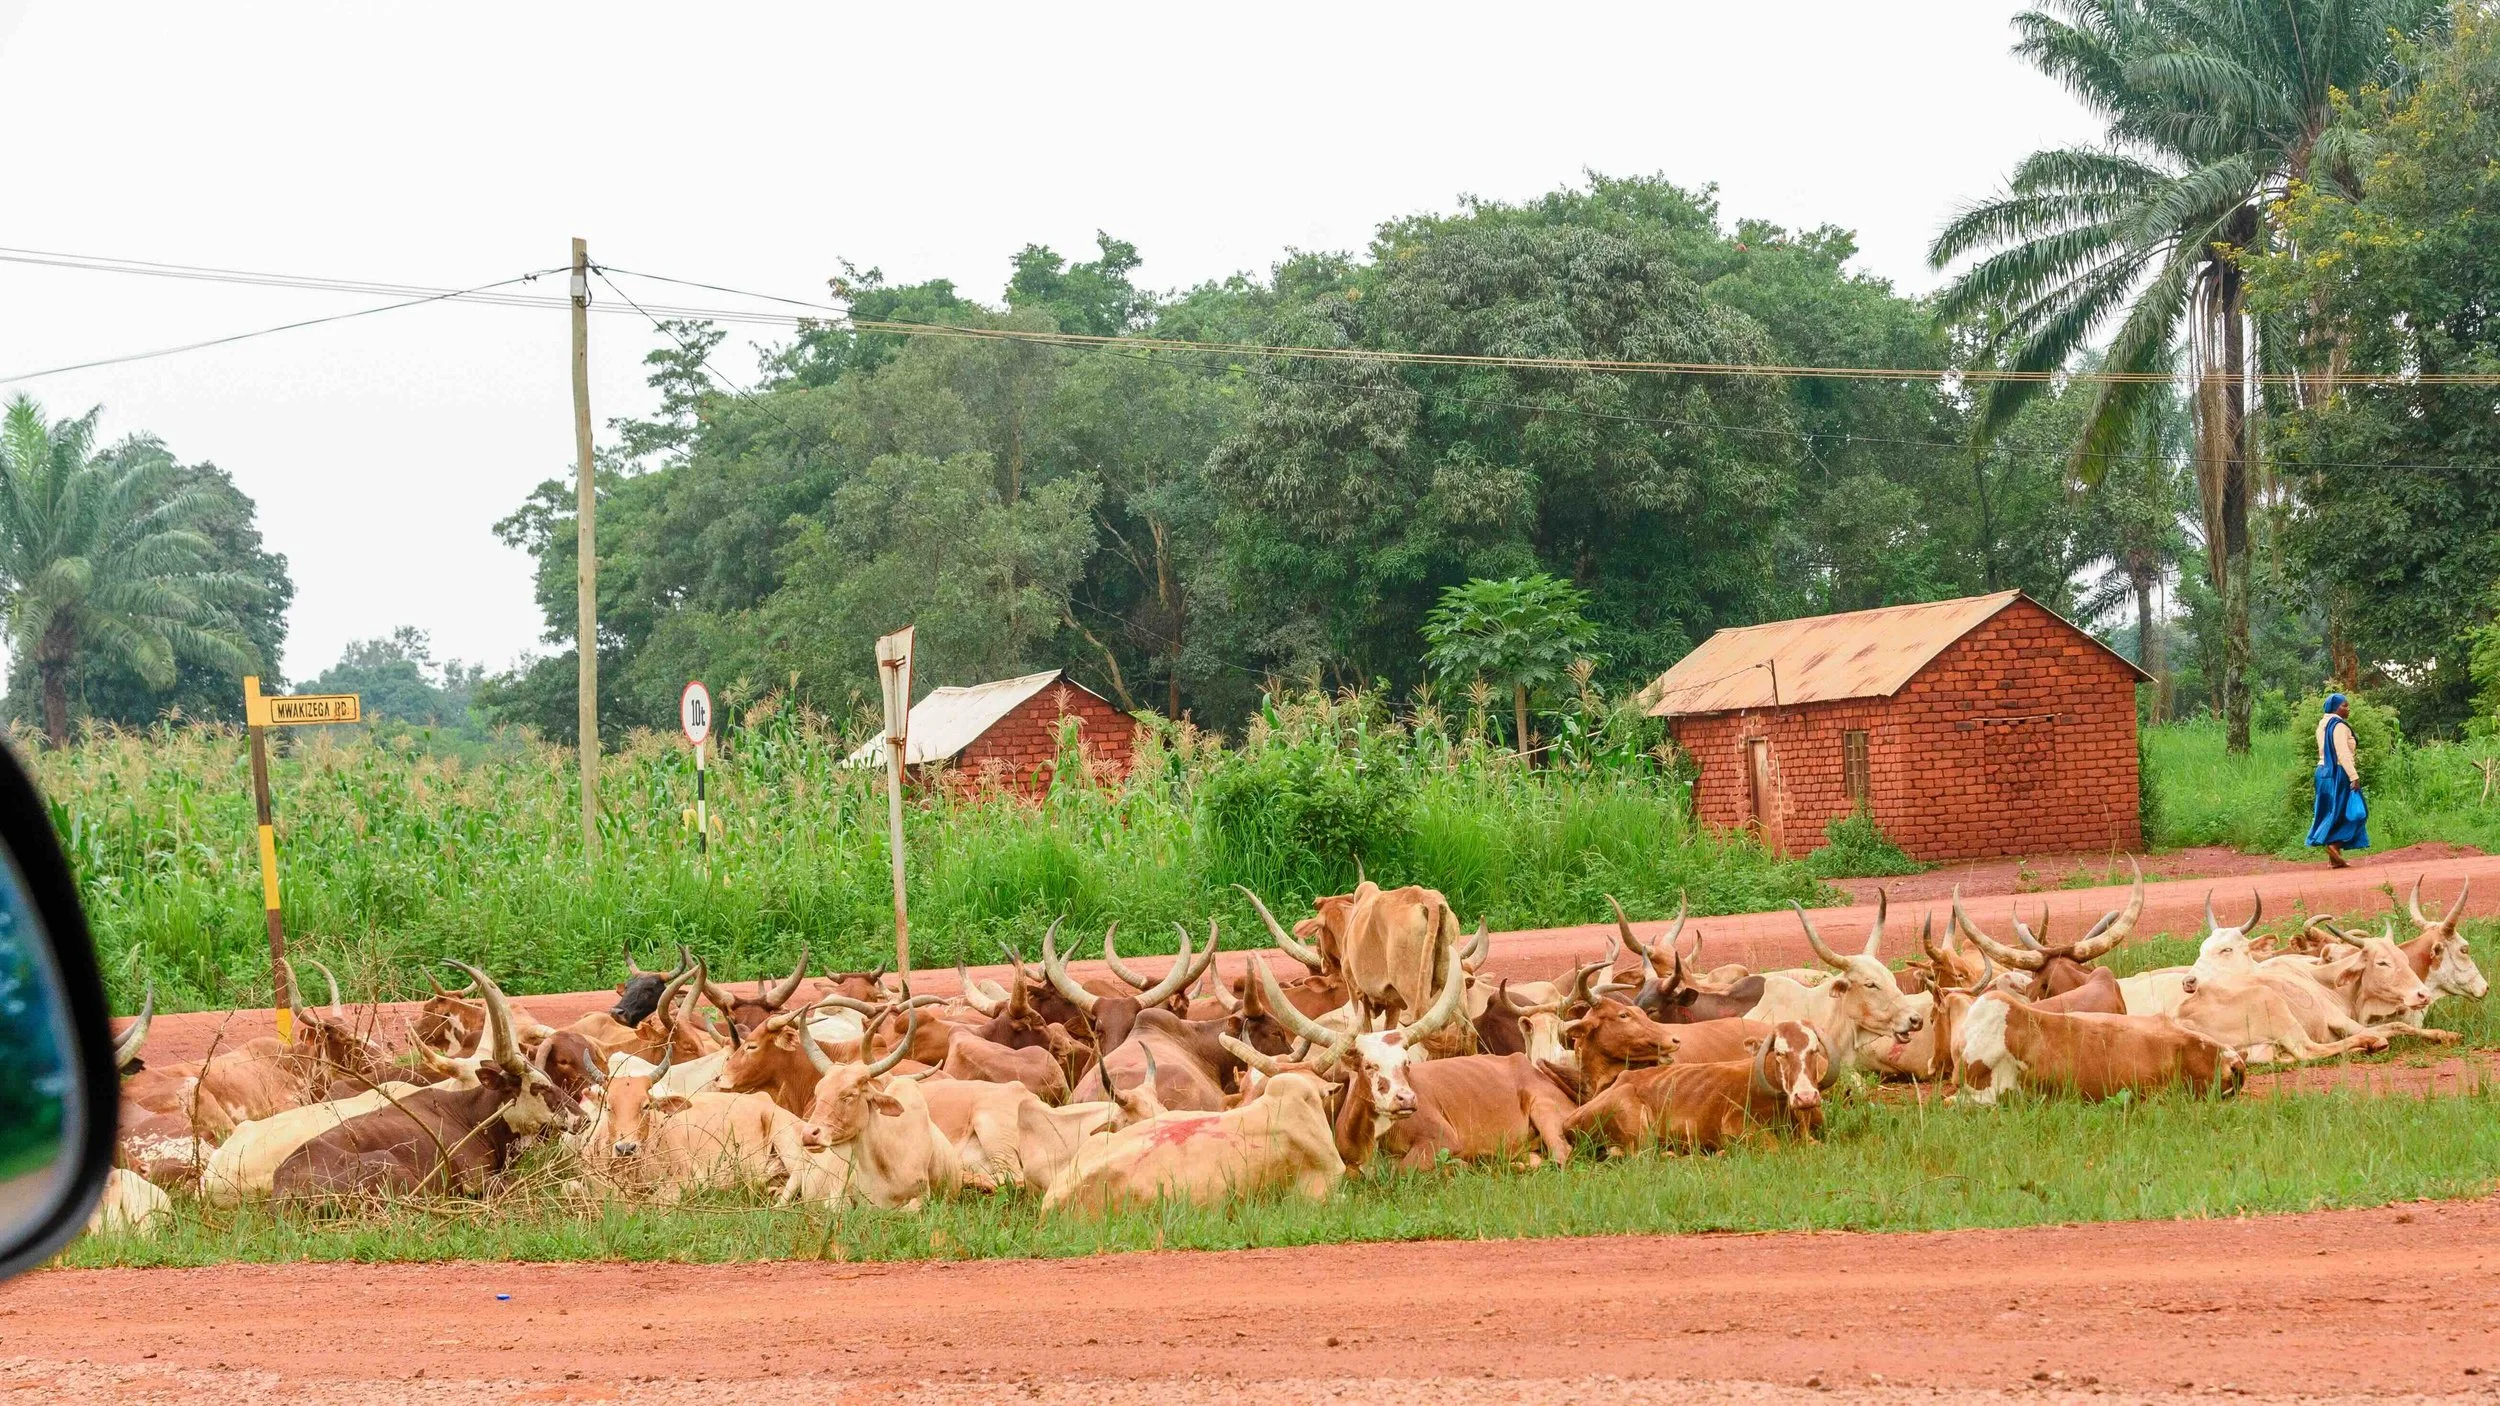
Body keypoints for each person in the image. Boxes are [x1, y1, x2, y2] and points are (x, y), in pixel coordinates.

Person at [2308, 693, 2369, 867]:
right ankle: (2334, 845)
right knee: (2356, 812)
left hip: (2322, 772)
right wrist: (2354, 776)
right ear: (2335, 708)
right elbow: (2342, 753)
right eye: (2344, 705)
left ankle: (2334, 860)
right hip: (2338, 772)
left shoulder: (2322, 725)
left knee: (2330, 811)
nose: (2348, 709)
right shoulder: (2340, 727)